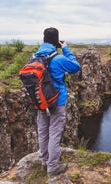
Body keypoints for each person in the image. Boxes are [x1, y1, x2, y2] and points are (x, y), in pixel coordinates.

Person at [34, 27, 80, 176]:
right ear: (57, 41)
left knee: (43, 132)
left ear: (43, 39)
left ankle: (44, 162)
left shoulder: (34, 57)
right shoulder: (58, 59)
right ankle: (52, 167)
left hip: (40, 101)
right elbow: (75, 67)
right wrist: (65, 49)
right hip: (56, 101)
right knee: (54, 133)